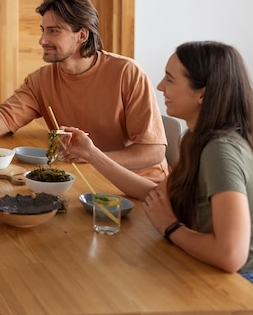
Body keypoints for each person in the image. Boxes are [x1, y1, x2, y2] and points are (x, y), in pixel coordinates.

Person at [62, 41, 253, 278]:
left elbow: (231, 255)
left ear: (202, 94)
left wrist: (171, 228)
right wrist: (91, 153)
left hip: (239, 284)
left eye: (170, 79)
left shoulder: (220, 151)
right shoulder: (196, 139)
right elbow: (154, 194)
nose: (161, 86)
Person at [0, 0, 168, 182]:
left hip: (139, 185)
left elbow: (153, 152)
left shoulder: (127, 72)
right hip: (81, 178)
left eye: (54, 31)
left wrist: (92, 158)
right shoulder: (41, 80)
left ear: (82, 35)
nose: (42, 40)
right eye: (43, 30)